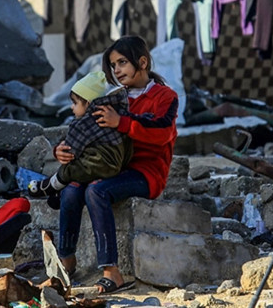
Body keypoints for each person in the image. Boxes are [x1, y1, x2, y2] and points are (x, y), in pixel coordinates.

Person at [54, 36, 179, 294]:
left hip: (146, 173)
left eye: (122, 62)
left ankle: (112, 272)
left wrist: (121, 122)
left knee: (96, 191)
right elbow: (84, 126)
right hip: (111, 167)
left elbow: (163, 132)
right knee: (71, 189)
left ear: (142, 62)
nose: (117, 70)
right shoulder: (112, 97)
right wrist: (62, 149)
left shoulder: (164, 96)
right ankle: (65, 262)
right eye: (113, 65)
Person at [27, 70, 133, 202]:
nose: (72, 107)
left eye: (75, 103)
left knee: (70, 169)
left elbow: (70, 151)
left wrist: (61, 151)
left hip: (96, 166)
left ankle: (52, 185)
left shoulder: (82, 124)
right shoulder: (115, 114)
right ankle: (59, 194)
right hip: (118, 165)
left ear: (88, 103)